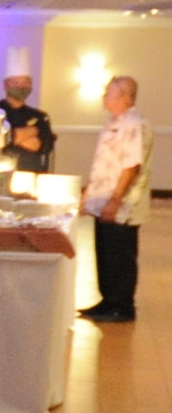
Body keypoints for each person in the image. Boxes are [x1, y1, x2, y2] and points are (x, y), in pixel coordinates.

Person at [81, 75, 153, 324]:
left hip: (122, 203)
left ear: (124, 96)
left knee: (120, 253)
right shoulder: (114, 122)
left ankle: (122, 305)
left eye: (109, 93)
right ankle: (107, 300)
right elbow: (103, 163)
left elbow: (131, 166)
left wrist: (115, 199)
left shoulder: (134, 124)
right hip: (103, 199)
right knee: (104, 250)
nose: (104, 97)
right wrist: (88, 194)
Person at [0, 56, 56, 173]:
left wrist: (12, 137)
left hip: (30, 176)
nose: (21, 87)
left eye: (26, 82)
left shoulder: (40, 116)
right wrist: (33, 131)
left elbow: (44, 146)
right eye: (16, 82)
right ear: (6, 85)